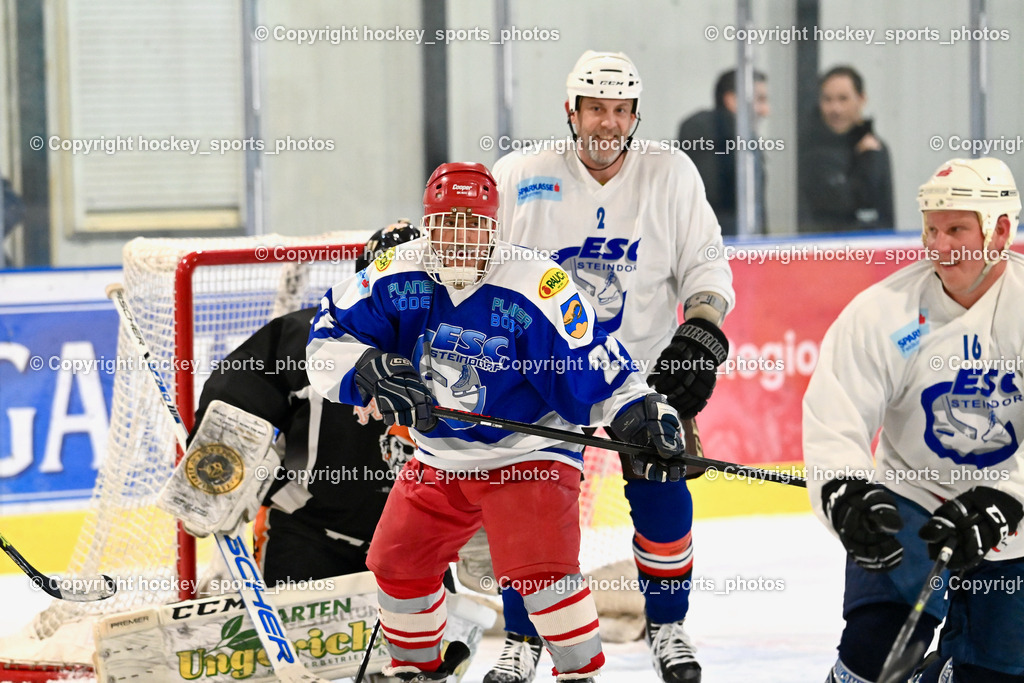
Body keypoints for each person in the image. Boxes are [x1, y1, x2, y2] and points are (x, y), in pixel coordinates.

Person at [306, 161, 689, 682]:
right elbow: (326, 337)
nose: (461, 238)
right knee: (397, 563)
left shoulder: (538, 283)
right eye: (448, 223)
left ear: (495, 226)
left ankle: (580, 674)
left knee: (542, 575)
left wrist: (638, 413)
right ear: (428, 224)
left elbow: (593, 362)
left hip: (527, 452)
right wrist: (366, 367)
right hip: (438, 455)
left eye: (474, 224)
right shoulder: (395, 272)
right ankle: (415, 671)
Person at [491, 51, 735, 683]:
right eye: (595, 108)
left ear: (635, 114)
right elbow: (477, 262)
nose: (608, 122)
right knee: (531, 504)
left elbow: (706, 268)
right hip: (541, 373)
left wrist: (702, 331)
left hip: (638, 374)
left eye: (621, 110)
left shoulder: (670, 173)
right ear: (570, 112)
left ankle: (668, 624)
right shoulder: (520, 173)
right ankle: (523, 635)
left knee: (663, 491)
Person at [804, 157, 1024, 683]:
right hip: (913, 498)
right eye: (931, 230)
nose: (939, 246)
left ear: (1000, 231)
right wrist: (844, 492)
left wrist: (1010, 497)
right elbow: (836, 416)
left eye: (957, 230)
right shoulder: (884, 312)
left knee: (993, 674)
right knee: (874, 652)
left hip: (1011, 513)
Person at [191, 221, 422, 584]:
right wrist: (223, 458)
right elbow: (239, 387)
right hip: (307, 537)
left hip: (415, 543)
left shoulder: (461, 347)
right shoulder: (310, 338)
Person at [798, 65, 894, 233]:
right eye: (827, 99)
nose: (835, 109)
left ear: (861, 99)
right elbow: (839, 207)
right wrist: (867, 161)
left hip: (873, 244)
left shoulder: (875, 148)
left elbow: (885, 212)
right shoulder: (808, 151)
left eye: (843, 99)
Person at [677, 68, 770, 236]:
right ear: (732, 100)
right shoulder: (718, 137)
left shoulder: (742, 141)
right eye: (760, 100)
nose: (765, 110)